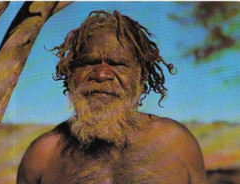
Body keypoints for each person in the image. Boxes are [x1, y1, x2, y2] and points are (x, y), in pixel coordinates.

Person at [17, 10, 208, 184]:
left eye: (117, 64)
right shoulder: (43, 155)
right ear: (70, 73)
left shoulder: (176, 143)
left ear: (141, 77)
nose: (101, 75)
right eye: (88, 63)